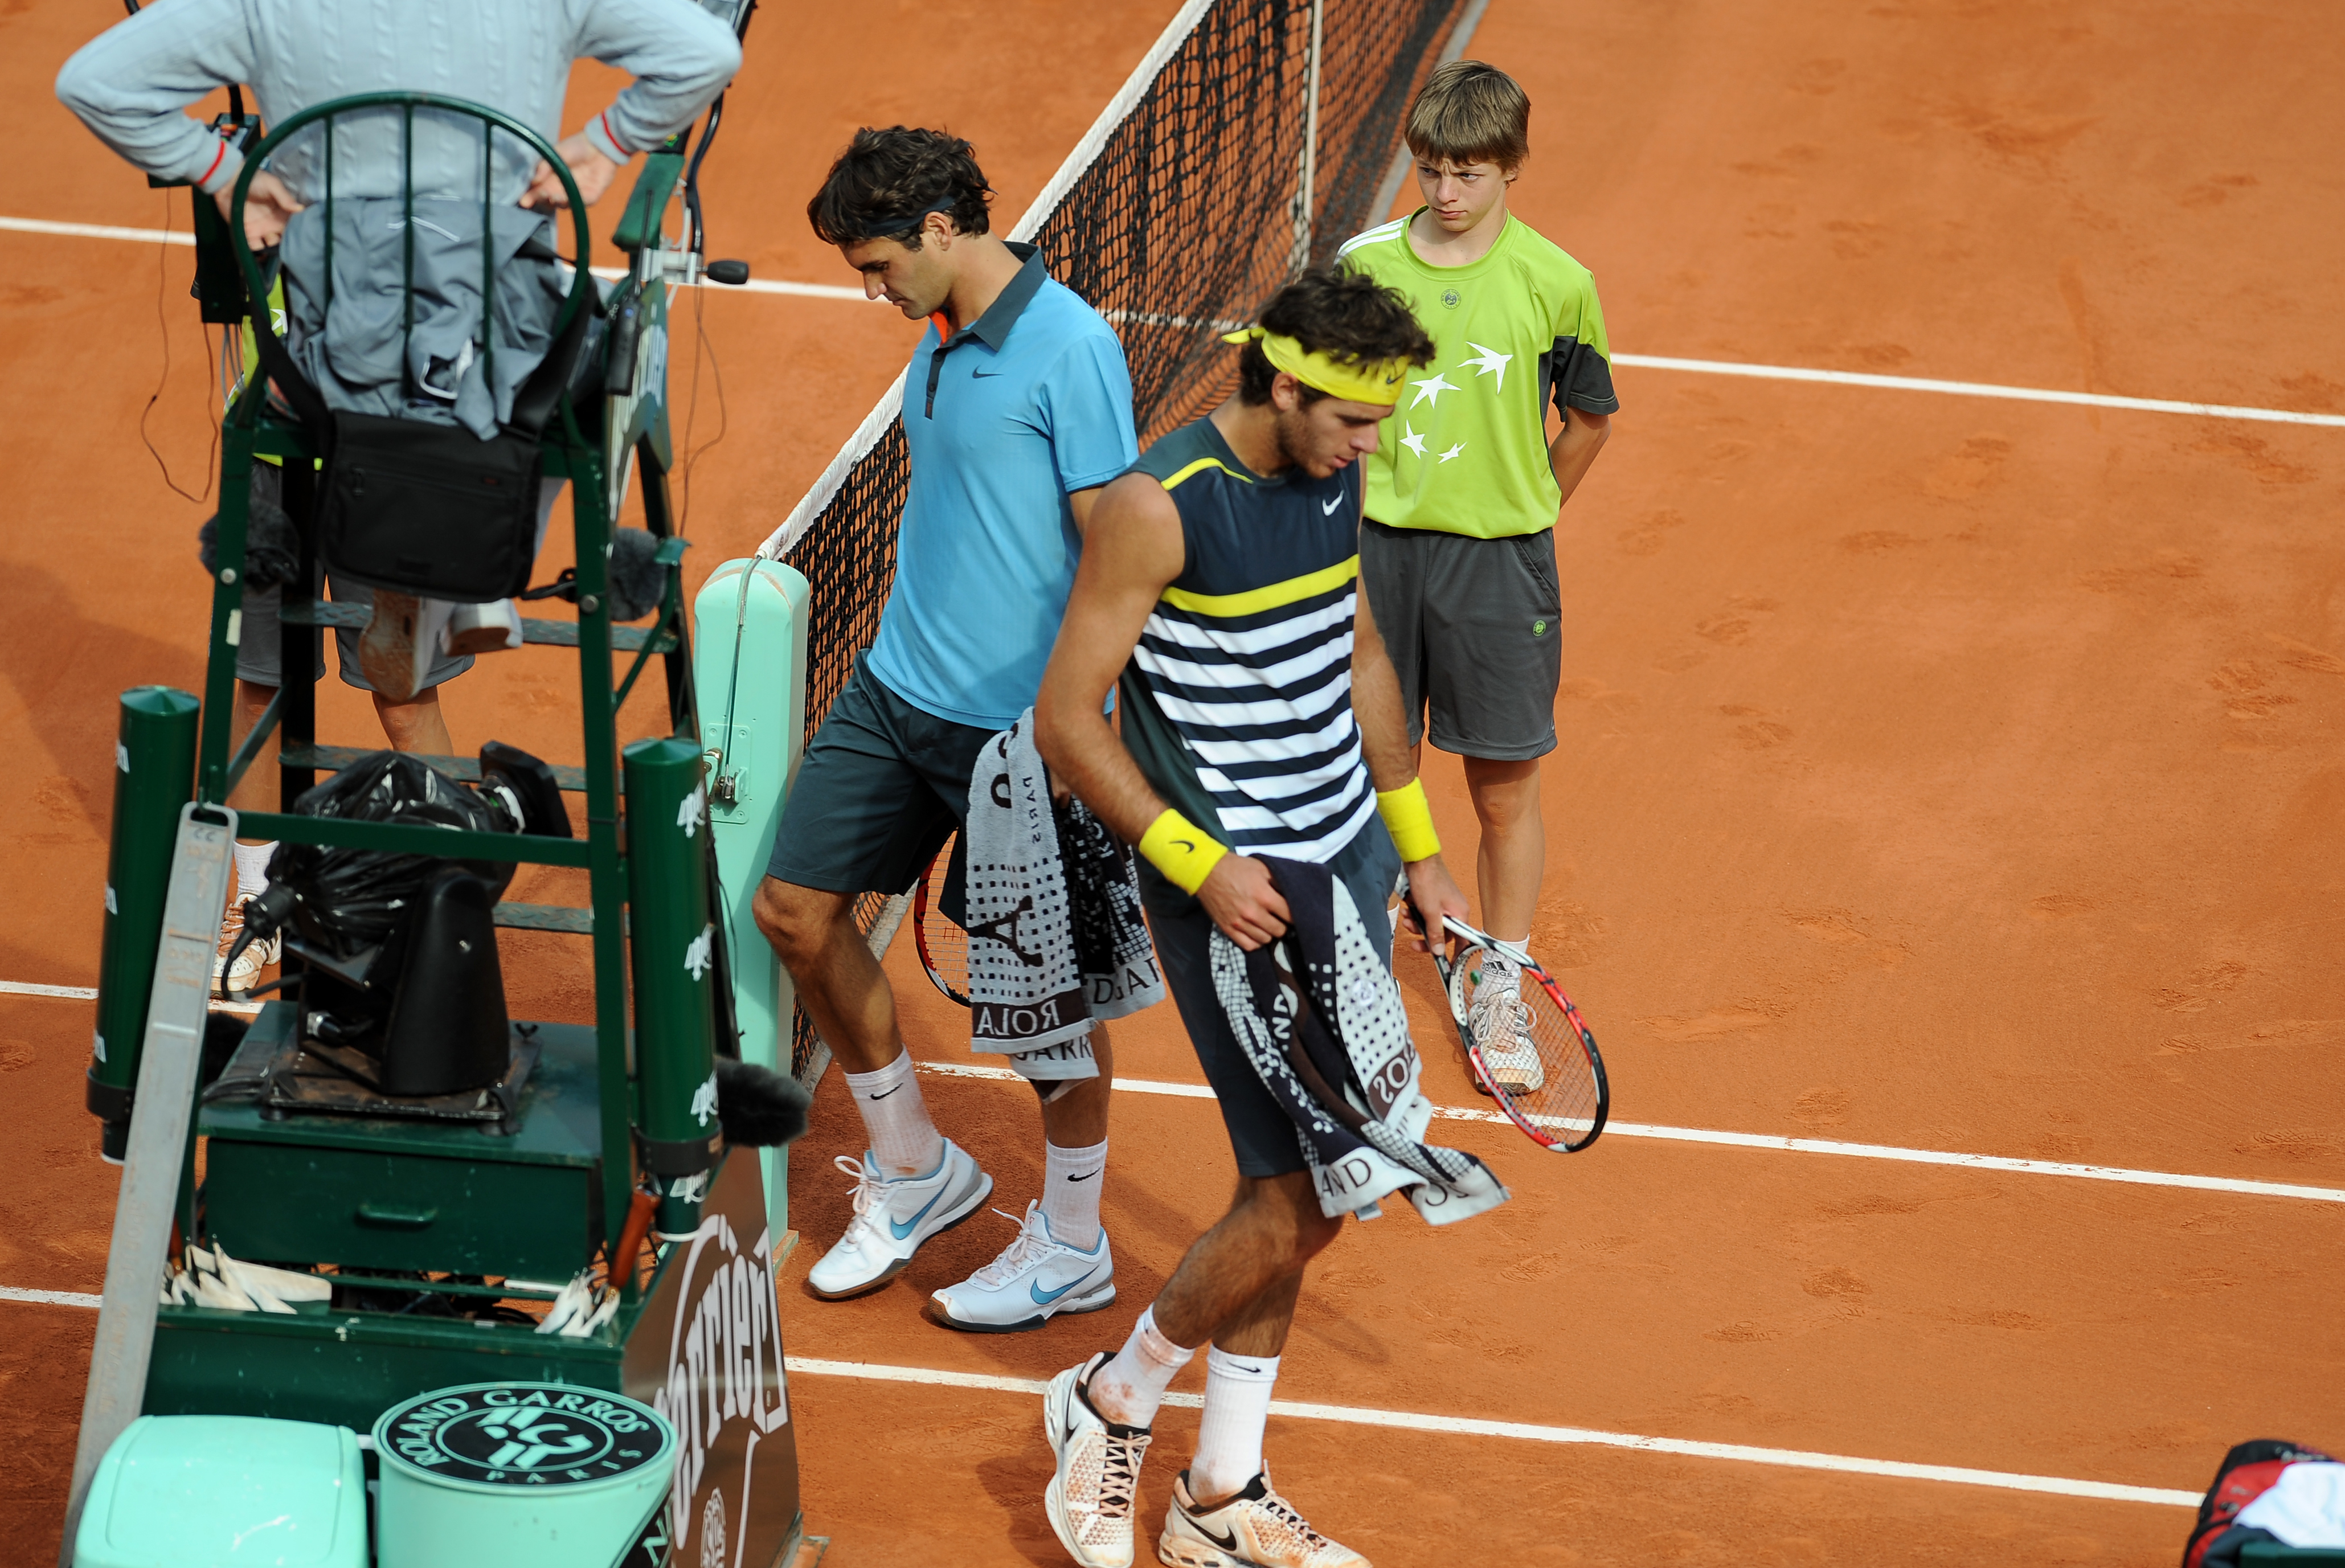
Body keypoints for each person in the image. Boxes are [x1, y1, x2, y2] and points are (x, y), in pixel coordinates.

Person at [55, 0, 743, 993]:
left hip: (311, 390)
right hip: (477, 417)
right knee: (408, 667)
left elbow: (96, 85)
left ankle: (251, 926)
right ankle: (485, 606)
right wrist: (599, 148)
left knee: (260, 670)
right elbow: (702, 51)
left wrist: (224, 173)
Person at [1032, 269, 1471, 1568]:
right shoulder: (1156, 508)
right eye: (1351, 418)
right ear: (1285, 385)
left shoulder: (1335, 476)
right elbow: (1067, 721)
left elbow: (1360, 655)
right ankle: (1110, 1401)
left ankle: (1218, 1492)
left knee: (1303, 1187)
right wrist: (1198, 862)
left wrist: (1419, 849)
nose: (1369, 445)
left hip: (1342, 874)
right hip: (1236, 894)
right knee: (1300, 1197)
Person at [751, 128, 1143, 1329]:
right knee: (794, 912)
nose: (872, 294)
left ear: (939, 228)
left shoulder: (1069, 348)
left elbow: (1116, 554)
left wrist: (1075, 726)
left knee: (1043, 1009)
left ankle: (1073, 1243)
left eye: (878, 267)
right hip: (893, 693)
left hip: (1018, 740)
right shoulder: (937, 336)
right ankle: (917, 1168)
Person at [1336, 60, 1615, 1091]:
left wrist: (1526, 506)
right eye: (1429, 171)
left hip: (1499, 566)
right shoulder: (1363, 264)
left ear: (1511, 168)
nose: (1445, 193)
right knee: (1366, 771)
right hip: (1373, 557)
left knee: (1502, 788)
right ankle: (1361, 982)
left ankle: (1499, 974)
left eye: (1467, 173)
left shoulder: (1556, 282)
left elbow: (1588, 418)